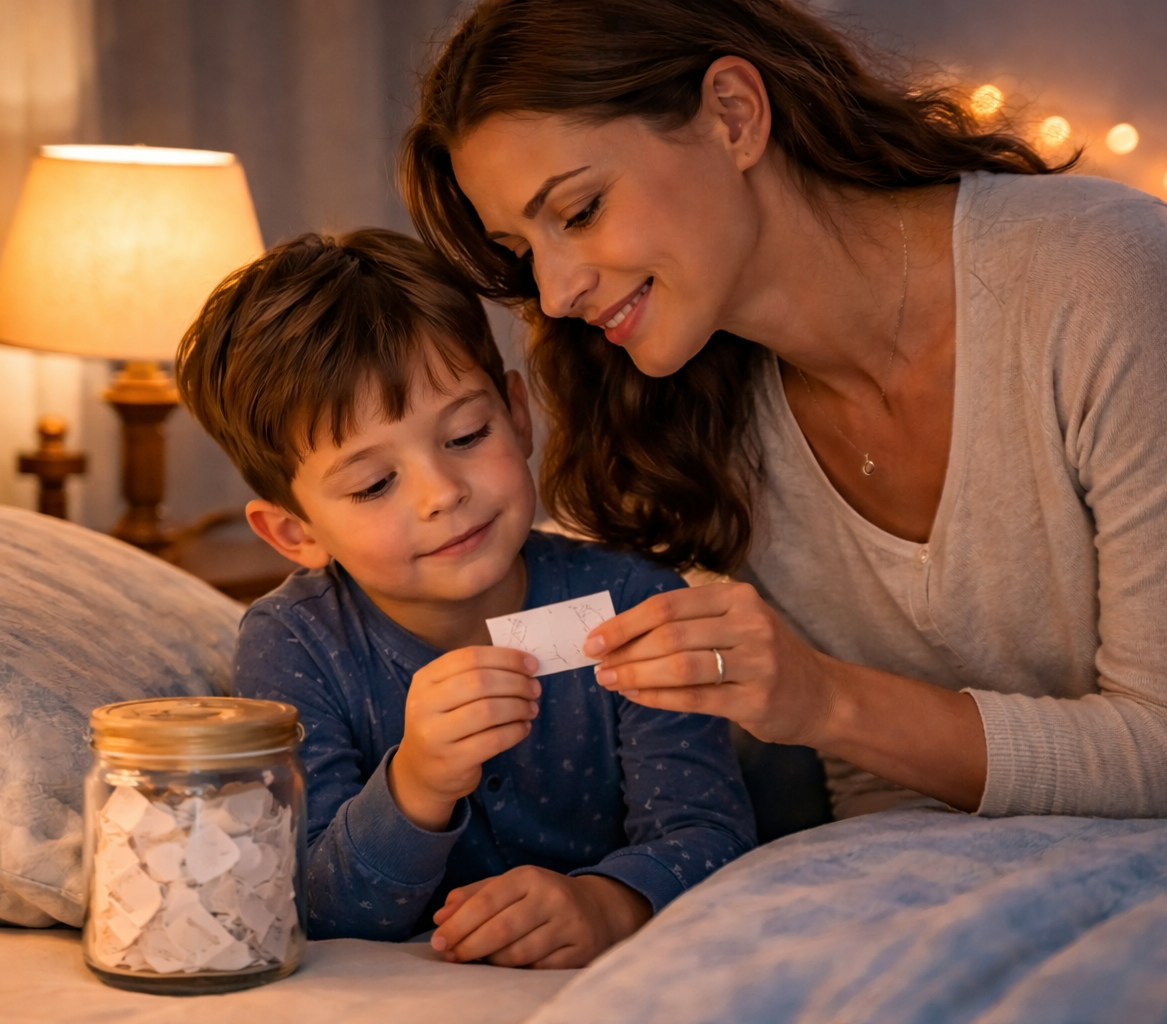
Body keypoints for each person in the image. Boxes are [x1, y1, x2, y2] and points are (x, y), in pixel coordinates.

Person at [401, 0, 1167, 820]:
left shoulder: (1111, 283)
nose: (558, 290)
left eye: (578, 210)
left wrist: (825, 699)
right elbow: (883, 795)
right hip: (1032, 856)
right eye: (521, 249)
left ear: (734, 115)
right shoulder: (696, 417)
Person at [173, 228, 755, 969]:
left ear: (517, 415)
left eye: (466, 435)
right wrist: (416, 782)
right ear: (294, 532)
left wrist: (611, 904)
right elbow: (309, 904)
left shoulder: (632, 599)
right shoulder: (295, 644)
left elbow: (715, 837)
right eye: (374, 484)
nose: (442, 494)